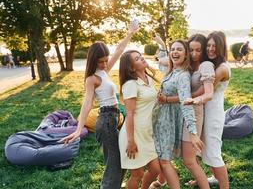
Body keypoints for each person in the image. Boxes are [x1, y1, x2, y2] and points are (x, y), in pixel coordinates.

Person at [59, 22, 139, 189]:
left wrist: (130, 32)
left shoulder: (104, 71)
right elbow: (87, 103)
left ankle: (114, 184)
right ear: (93, 60)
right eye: (100, 61)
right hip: (105, 120)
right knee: (114, 162)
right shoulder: (92, 79)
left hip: (115, 117)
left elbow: (119, 50)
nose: (104, 64)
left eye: (106, 60)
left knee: (121, 158)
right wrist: (78, 129)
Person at [153, 34, 214, 188]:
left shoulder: (183, 76)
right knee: (164, 158)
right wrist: (161, 44)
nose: (175, 52)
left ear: (185, 53)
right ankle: (159, 181)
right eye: (173, 49)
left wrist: (193, 133)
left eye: (179, 49)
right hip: (164, 120)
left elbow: (186, 103)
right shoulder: (172, 70)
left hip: (174, 119)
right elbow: (161, 60)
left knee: (172, 160)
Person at [189, 31, 230, 189]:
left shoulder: (222, 69)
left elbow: (203, 92)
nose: (211, 49)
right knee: (204, 149)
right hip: (203, 111)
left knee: (213, 152)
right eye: (209, 46)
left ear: (221, 47)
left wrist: (179, 97)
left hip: (213, 115)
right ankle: (210, 177)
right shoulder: (210, 65)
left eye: (215, 46)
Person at [118, 50, 161, 189]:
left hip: (147, 133)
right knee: (137, 174)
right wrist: (131, 141)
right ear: (131, 67)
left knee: (155, 169)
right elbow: (129, 114)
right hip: (134, 135)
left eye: (141, 55)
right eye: (137, 58)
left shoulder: (147, 80)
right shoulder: (131, 84)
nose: (142, 58)